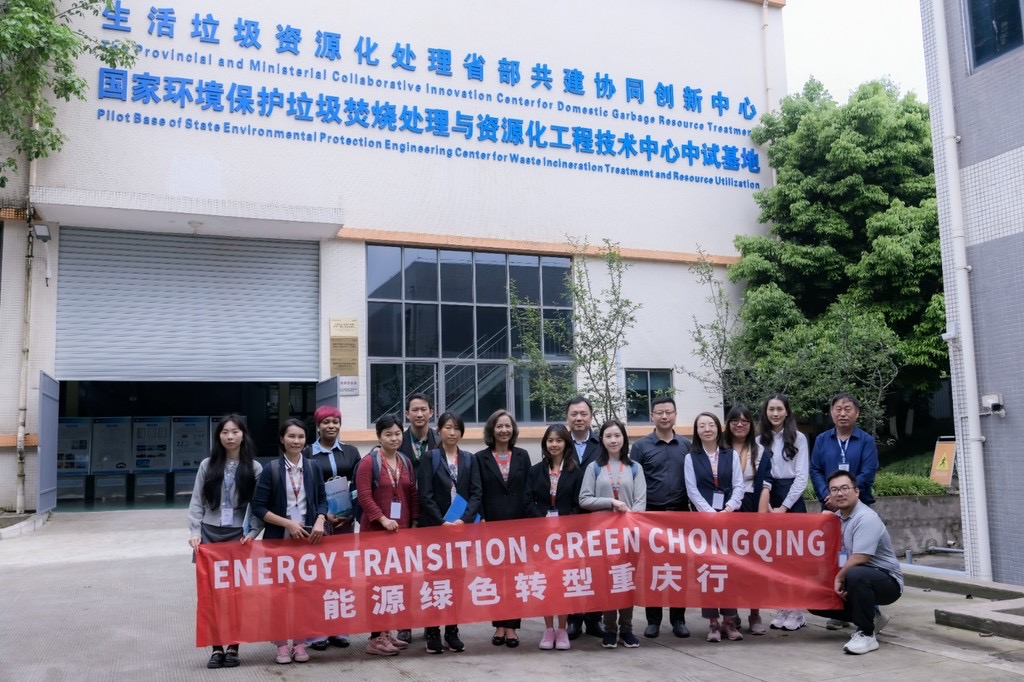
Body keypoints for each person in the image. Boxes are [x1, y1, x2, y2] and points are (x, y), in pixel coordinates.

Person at [249, 418, 328, 665]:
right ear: (282, 439)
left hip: (307, 541)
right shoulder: (271, 469)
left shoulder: (313, 467)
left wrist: (320, 519)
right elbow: (259, 507)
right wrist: (287, 523)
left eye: (301, 437)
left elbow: (322, 500)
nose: (296, 441)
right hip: (278, 542)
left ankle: (300, 643)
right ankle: (282, 645)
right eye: (291, 436)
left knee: (304, 594)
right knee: (279, 595)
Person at [187, 414, 263, 669]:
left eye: (235, 432)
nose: (230, 437)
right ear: (218, 436)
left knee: (236, 594)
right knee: (212, 594)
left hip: (238, 536)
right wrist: (195, 531)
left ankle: (233, 646)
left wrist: (253, 532)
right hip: (209, 533)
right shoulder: (207, 465)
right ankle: (216, 647)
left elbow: (258, 506)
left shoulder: (254, 468)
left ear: (243, 435)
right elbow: (196, 501)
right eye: (225, 432)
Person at [808, 471, 903, 655]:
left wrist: (839, 578)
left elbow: (861, 558)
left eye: (845, 488)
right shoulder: (837, 518)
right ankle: (872, 617)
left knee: (855, 574)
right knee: (815, 598)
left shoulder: (866, 517)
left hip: (887, 581)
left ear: (857, 491)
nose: (840, 493)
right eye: (834, 490)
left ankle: (866, 634)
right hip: (857, 578)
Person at [810, 393, 881, 632]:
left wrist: (846, 496)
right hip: (829, 509)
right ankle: (839, 611)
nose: (842, 413)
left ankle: (869, 609)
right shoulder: (822, 440)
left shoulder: (866, 441)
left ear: (857, 413)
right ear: (831, 413)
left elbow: (868, 471)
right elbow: (815, 470)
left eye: (847, 409)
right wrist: (828, 496)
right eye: (838, 409)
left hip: (859, 508)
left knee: (859, 558)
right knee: (832, 558)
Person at [417, 411, 481, 655]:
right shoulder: (430, 457)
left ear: (461, 432)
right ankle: (433, 631)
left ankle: (452, 631)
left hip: (461, 531)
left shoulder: (469, 459)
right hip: (436, 531)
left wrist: (464, 521)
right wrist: (442, 522)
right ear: (439, 431)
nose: (452, 432)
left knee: (457, 580)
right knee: (434, 580)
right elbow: (425, 495)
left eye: (456, 428)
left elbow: (476, 493)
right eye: (447, 427)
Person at [579, 419, 646, 650]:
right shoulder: (594, 468)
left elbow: (640, 502)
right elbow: (584, 499)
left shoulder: (635, 467)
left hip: (629, 535)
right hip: (603, 536)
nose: (613, 440)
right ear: (602, 440)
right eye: (608, 436)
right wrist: (611, 502)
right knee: (607, 582)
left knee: (626, 580)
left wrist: (629, 520)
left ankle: (626, 629)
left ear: (624, 439)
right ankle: (609, 629)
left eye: (617, 435)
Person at [357, 413, 420, 656]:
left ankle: (387, 632)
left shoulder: (405, 461)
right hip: (375, 533)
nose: (394, 438)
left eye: (397, 434)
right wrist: (382, 519)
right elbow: (364, 496)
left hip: (401, 533)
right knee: (376, 584)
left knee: (395, 583)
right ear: (379, 437)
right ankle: (375, 637)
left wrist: (414, 523)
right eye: (388, 434)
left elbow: (412, 493)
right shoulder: (368, 463)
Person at [629, 395, 691, 638]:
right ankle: (653, 620)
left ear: (675, 415)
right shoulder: (641, 447)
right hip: (651, 516)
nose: (664, 416)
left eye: (669, 412)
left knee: (679, 569)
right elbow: (634, 481)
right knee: (653, 569)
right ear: (652, 416)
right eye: (660, 412)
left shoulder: (686, 445)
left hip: (680, 514)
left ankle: (678, 619)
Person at [684, 412, 745, 643]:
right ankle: (712, 623)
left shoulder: (731, 454)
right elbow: (692, 490)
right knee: (707, 571)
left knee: (729, 570)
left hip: (729, 520)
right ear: (697, 431)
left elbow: (739, 486)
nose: (707, 429)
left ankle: (729, 621)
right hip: (704, 523)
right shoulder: (691, 457)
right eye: (702, 425)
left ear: (719, 428)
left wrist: (728, 509)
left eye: (711, 424)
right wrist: (710, 513)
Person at [304, 405, 360, 652]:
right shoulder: (307, 453)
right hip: (319, 523)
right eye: (326, 422)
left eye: (335, 422)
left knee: (341, 576)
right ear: (318, 426)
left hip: (345, 523)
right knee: (317, 577)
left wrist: (351, 513)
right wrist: (323, 514)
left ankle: (339, 628)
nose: (331, 426)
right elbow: (306, 488)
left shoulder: (351, 452)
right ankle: (317, 632)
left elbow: (358, 485)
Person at [524, 424, 584, 651]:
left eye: (559, 440)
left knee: (563, 582)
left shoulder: (575, 471)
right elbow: (527, 501)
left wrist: (563, 524)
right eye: (550, 440)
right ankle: (548, 629)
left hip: (567, 537)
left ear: (566, 444)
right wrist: (544, 521)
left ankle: (562, 629)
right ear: (545, 443)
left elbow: (579, 504)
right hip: (542, 536)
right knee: (546, 582)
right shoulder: (535, 470)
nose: (554, 444)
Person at [474, 409, 531, 648]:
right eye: (499, 426)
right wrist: (482, 518)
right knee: (495, 576)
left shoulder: (523, 455)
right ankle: (498, 624)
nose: (504, 430)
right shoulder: (480, 458)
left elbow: (528, 490)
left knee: (516, 576)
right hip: (492, 525)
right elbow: (477, 492)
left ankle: (512, 627)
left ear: (513, 430)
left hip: (518, 524)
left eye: (508, 426)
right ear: (492, 430)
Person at [757, 393, 810, 631]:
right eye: (771, 409)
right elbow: (759, 475)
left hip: (792, 499)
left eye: (779, 409)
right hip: (768, 495)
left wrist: (784, 507)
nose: (775, 413)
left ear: (787, 411)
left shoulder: (799, 438)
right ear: (766, 412)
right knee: (775, 558)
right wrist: (768, 505)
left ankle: (797, 611)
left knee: (795, 559)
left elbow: (801, 476)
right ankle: (782, 607)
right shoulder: (759, 440)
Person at [723, 404, 773, 635]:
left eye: (745, 421)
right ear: (728, 424)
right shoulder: (720, 449)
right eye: (735, 420)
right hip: (727, 508)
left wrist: (760, 519)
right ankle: (731, 615)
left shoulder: (760, 450)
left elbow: (766, 484)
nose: (740, 425)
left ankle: (755, 613)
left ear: (751, 424)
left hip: (752, 505)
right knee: (729, 564)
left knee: (754, 565)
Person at [564, 396, 606, 640]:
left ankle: (594, 617)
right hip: (568, 517)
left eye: (583, 414)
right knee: (571, 568)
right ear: (567, 417)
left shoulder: (601, 444)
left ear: (590, 417)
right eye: (574, 414)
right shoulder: (559, 442)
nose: (578, 418)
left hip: (596, 516)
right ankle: (573, 618)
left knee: (596, 568)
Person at [399, 392, 439, 474]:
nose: (419, 415)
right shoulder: (398, 441)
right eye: (415, 410)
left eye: (423, 409)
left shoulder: (440, 440)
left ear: (431, 413)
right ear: (407, 414)